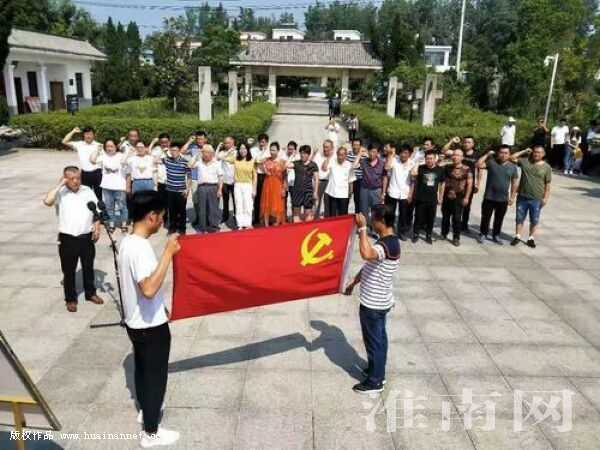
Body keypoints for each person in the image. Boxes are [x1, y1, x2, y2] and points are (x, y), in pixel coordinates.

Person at [117, 190, 180, 448]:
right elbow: (149, 288)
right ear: (151, 216)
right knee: (155, 378)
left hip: (137, 322)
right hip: (150, 328)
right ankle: (151, 433)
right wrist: (168, 253)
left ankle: (146, 412)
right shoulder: (140, 248)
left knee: (143, 371)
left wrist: (160, 307)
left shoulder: (127, 242)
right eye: (161, 216)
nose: (162, 221)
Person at [343, 205, 400, 394]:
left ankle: (375, 381)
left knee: (374, 341)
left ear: (381, 221)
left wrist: (362, 228)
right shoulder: (386, 242)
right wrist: (353, 282)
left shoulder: (387, 245)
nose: (371, 222)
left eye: (373, 219)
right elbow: (370, 266)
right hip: (378, 302)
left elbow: (366, 254)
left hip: (374, 305)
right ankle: (376, 369)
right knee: (379, 339)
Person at [43, 166, 104, 312]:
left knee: (88, 267)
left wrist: (97, 227)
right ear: (65, 179)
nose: (76, 181)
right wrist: (60, 185)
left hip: (86, 237)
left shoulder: (87, 190)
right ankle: (70, 299)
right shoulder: (61, 193)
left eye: (78, 178)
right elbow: (47, 201)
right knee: (69, 271)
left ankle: (90, 293)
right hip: (67, 239)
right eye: (72, 179)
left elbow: (96, 210)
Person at [475, 146, 519, 245]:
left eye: (506, 153)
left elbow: (514, 183)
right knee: (486, 217)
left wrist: (512, 197)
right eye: (501, 153)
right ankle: (483, 233)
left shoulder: (512, 167)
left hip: (503, 198)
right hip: (489, 197)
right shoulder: (491, 163)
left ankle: (496, 235)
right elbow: (478, 165)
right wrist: (487, 155)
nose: (503, 155)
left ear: (509, 154)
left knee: (499, 219)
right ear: (498, 153)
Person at [510, 146, 552, 248]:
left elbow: (548, 184)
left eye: (539, 152)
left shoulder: (547, 167)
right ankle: (517, 236)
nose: (536, 154)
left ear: (543, 154)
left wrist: (545, 198)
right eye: (535, 152)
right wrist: (524, 151)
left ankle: (531, 238)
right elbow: (511, 158)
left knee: (534, 219)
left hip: (537, 198)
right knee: (519, 217)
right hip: (522, 196)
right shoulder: (525, 162)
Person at [89, 138, 128, 232]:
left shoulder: (121, 155)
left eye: (111, 146)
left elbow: (123, 162)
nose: (109, 148)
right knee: (109, 206)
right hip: (107, 186)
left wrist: (127, 152)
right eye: (107, 146)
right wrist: (97, 150)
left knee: (121, 206)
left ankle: (123, 224)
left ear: (116, 146)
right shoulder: (103, 156)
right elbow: (92, 160)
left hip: (119, 186)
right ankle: (111, 224)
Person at [442, 135, 479, 233]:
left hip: (469, 183)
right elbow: (444, 151)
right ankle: (454, 224)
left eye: (469, 142)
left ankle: (464, 225)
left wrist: (478, 183)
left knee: (467, 205)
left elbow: (480, 170)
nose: (466, 144)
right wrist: (451, 141)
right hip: (455, 184)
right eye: (465, 142)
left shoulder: (476, 155)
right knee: (454, 207)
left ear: (473, 144)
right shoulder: (459, 152)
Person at [352, 143, 387, 237]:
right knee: (364, 210)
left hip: (376, 190)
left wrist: (383, 192)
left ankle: (375, 230)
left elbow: (384, 178)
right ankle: (365, 229)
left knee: (376, 211)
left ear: (377, 152)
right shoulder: (364, 161)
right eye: (370, 151)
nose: (372, 154)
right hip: (364, 189)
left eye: (374, 152)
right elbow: (354, 166)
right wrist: (360, 153)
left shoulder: (382, 163)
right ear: (368, 152)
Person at [440, 150, 473, 247]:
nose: (455, 157)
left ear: (462, 157)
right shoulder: (447, 167)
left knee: (457, 218)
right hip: (447, 195)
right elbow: (442, 182)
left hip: (459, 196)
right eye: (454, 155)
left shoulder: (467, 169)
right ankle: (444, 233)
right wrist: (440, 196)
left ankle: (456, 237)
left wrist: (467, 197)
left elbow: (469, 183)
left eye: (457, 155)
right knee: (445, 216)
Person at [411, 151, 445, 244]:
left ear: (435, 159)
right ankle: (416, 234)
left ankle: (428, 235)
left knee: (431, 218)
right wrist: (417, 162)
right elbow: (413, 174)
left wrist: (440, 197)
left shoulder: (439, 170)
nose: (429, 160)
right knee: (418, 217)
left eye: (431, 158)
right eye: (427, 158)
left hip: (432, 199)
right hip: (420, 198)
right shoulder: (421, 168)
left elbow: (442, 184)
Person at [187, 144, 223, 233]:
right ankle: (203, 227)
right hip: (201, 188)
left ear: (211, 153)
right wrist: (196, 155)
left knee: (213, 208)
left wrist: (220, 189)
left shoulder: (216, 163)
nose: (205, 154)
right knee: (202, 209)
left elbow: (220, 177)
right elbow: (189, 165)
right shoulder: (199, 162)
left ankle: (214, 227)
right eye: (203, 152)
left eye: (207, 152)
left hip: (213, 187)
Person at [61, 126, 103, 199]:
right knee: (85, 194)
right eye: (86, 133)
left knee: (99, 195)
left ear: (93, 135)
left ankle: (100, 206)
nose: (88, 136)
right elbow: (64, 141)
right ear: (83, 134)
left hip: (97, 173)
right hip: (85, 173)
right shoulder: (79, 144)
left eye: (90, 134)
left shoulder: (99, 145)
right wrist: (73, 131)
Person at [384, 142, 414, 241]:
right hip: (393, 191)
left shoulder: (412, 163)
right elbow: (387, 167)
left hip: (405, 193)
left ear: (409, 154)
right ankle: (390, 230)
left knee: (404, 215)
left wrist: (410, 194)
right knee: (390, 213)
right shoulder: (394, 160)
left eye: (406, 153)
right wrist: (391, 154)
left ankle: (402, 232)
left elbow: (413, 181)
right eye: (402, 152)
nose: (403, 155)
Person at [224, 143, 256, 229]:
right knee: (239, 204)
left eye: (244, 148)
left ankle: (248, 224)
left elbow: (255, 176)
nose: (242, 151)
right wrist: (230, 150)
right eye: (241, 149)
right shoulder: (235, 159)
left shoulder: (252, 160)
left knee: (248, 205)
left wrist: (254, 189)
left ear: (248, 150)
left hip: (248, 185)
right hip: (238, 185)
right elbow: (220, 157)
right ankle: (240, 225)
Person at [181, 131, 208, 227]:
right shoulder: (192, 147)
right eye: (198, 139)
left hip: (206, 178)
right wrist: (189, 142)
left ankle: (206, 218)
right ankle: (198, 217)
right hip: (194, 178)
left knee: (205, 199)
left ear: (205, 139)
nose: (199, 140)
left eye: (201, 138)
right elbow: (181, 152)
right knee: (195, 199)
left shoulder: (208, 148)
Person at [163, 143, 191, 235]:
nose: (173, 152)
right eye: (172, 150)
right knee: (171, 210)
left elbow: (189, 176)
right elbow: (155, 160)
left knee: (182, 211)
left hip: (181, 191)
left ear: (179, 151)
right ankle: (172, 228)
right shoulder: (167, 160)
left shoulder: (185, 162)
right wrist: (165, 151)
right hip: (170, 190)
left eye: (175, 150)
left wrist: (187, 189)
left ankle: (182, 229)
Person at [287, 145, 319, 222]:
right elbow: (286, 165)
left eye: (305, 153)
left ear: (309, 154)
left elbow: (316, 179)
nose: (303, 155)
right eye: (301, 153)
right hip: (297, 190)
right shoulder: (296, 163)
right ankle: (297, 228)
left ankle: (307, 228)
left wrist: (315, 192)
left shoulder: (313, 165)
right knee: (296, 214)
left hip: (308, 191)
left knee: (308, 213)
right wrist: (292, 155)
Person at [259, 142, 287, 227]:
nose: (272, 152)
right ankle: (266, 225)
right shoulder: (266, 160)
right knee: (267, 204)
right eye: (271, 150)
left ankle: (276, 224)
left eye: (274, 150)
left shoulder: (282, 161)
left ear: (278, 150)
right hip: (267, 183)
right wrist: (262, 158)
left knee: (277, 205)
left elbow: (285, 176)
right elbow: (257, 162)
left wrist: (284, 188)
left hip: (278, 184)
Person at [323, 146, 355, 217]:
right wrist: (329, 157)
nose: (341, 157)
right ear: (337, 154)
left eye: (343, 155)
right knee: (332, 215)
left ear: (346, 155)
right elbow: (324, 168)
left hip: (344, 195)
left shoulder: (349, 165)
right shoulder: (332, 162)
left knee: (343, 216)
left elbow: (351, 180)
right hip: (333, 193)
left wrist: (350, 191)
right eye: (339, 155)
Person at [216, 136, 237, 224]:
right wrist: (218, 147)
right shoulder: (223, 152)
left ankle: (236, 216)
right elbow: (217, 157)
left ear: (233, 142)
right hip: (224, 180)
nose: (226, 144)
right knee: (225, 200)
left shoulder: (236, 152)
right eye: (225, 143)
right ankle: (225, 216)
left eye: (228, 142)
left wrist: (231, 151)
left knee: (235, 200)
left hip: (234, 180)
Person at [251, 133, 270, 225]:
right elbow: (256, 160)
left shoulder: (269, 151)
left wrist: (260, 159)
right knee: (257, 197)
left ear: (267, 142)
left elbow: (261, 160)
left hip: (266, 176)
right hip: (256, 175)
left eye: (264, 142)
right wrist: (262, 158)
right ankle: (256, 218)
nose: (262, 144)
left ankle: (266, 218)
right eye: (261, 142)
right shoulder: (253, 150)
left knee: (267, 198)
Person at [312, 139, 333, 218]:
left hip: (329, 182)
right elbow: (310, 164)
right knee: (316, 200)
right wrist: (313, 154)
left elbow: (324, 168)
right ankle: (315, 217)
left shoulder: (334, 157)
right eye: (324, 147)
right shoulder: (318, 155)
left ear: (331, 148)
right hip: (318, 181)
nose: (325, 149)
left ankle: (327, 218)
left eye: (327, 147)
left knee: (327, 202)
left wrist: (329, 157)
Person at [346, 138, 367, 213]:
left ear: (360, 146)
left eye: (357, 145)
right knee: (346, 200)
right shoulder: (348, 155)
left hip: (359, 181)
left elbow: (358, 166)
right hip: (348, 180)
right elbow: (349, 166)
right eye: (354, 145)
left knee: (358, 201)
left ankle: (357, 217)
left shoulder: (364, 157)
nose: (355, 146)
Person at [283, 140, 300, 217]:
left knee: (294, 202)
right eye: (289, 149)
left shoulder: (298, 157)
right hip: (284, 181)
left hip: (294, 182)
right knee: (284, 202)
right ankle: (284, 218)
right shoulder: (283, 156)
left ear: (295, 150)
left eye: (291, 149)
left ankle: (294, 217)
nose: (290, 151)